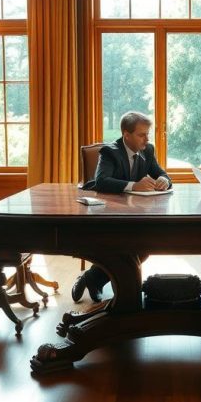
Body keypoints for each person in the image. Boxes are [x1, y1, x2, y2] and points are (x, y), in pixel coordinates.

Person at [72, 111, 171, 303]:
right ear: (126, 135)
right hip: (108, 212)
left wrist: (163, 180)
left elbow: (164, 174)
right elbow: (101, 181)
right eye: (141, 134)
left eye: (147, 134)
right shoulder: (110, 152)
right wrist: (133, 185)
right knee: (129, 244)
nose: (146, 139)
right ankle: (105, 285)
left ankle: (92, 278)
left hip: (135, 212)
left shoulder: (147, 150)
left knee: (144, 246)